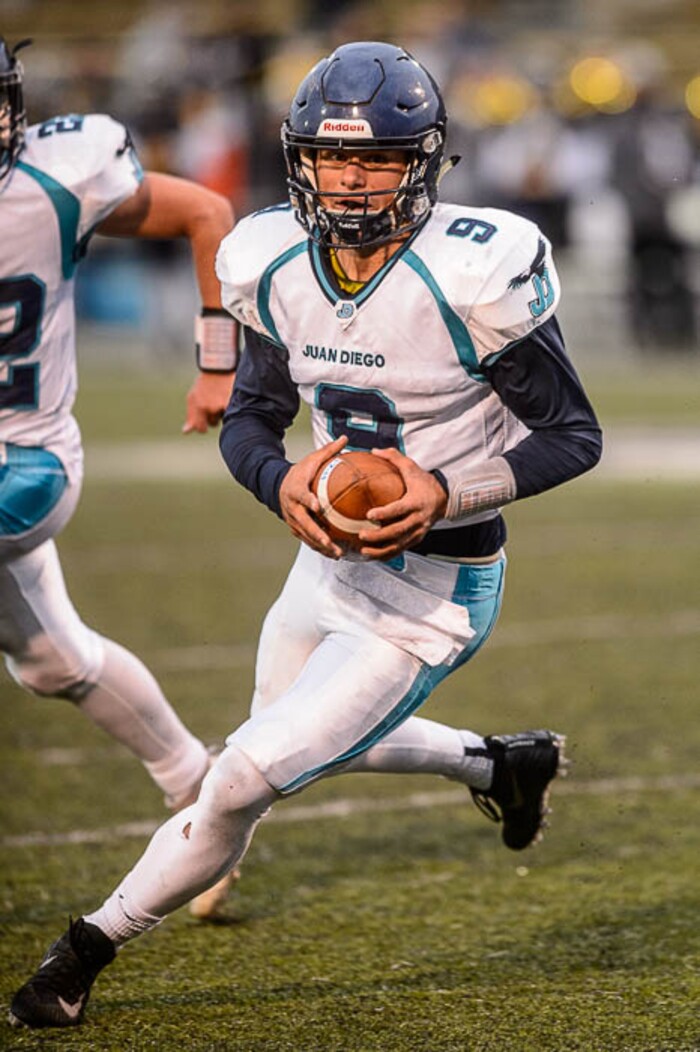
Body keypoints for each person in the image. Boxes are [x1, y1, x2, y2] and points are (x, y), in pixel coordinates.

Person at [9, 41, 602, 1030]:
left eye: (377, 160)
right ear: (301, 160)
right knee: (289, 742)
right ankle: (501, 765)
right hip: (323, 563)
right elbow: (250, 422)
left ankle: (78, 955)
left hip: (431, 594)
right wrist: (282, 481)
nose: (353, 180)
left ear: (425, 163)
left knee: (241, 770)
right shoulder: (272, 259)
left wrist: (446, 486)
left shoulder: (475, 269)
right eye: (334, 159)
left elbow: (573, 434)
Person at [0, 39, 237, 920]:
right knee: (54, 659)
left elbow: (208, 212)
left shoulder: (58, 177)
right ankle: (201, 794)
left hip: (24, 461)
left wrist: (218, 365)